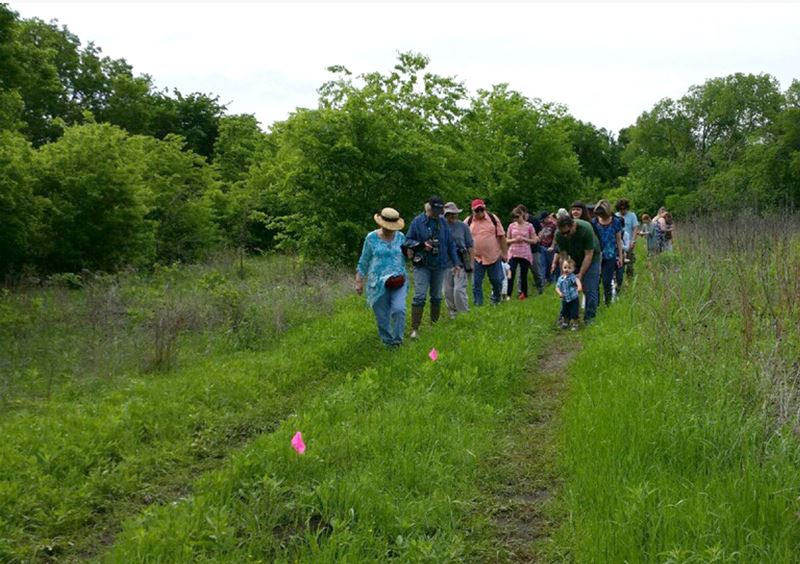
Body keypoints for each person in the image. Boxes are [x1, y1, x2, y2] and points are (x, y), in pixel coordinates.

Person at [404, 196, 460, 339]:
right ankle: (415, 329)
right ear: (429, 208)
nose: (438, 213)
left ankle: (434, 326)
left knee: (436, 296)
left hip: (440, 264)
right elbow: (407, 241)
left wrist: (456, 263)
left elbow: (450, 243)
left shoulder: (443, 222)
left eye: (440, 210)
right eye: (435, 210)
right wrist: (422, 245)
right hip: (422, 264)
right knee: (420, 295)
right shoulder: (418, 222)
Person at [355, 207, 408, 347]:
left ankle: (398, 341)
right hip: (377, 283)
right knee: (382, 316)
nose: (389, 229)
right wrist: (359, 281)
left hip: (398, 280)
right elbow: (364, 261)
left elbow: (407, 257)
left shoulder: (401, 237)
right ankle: (388, 342)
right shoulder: (371, 238)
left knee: (399, 309)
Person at [555, 213, 601, 324]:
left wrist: (580, 274)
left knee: (590, 288)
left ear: (573, 225)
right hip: (574, 258)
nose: (565, 235)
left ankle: (589, 318)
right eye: (563, 233)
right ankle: (564, 316)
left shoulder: (586, 229)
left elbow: (589, 254)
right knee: (566, 287)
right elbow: (564, 256)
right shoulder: (559, 235)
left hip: (592, 257)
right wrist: (565, 273)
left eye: (567, 232)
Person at [466, 199, 508, 306]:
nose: (479, 212)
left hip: (493, 256)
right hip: (476, 258)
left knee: (497, 281)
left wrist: (505, 253)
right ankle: (478, 305)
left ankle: (496, 300)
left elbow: (502, 236)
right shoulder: (468, 221)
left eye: (481, 209)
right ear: (472, 210)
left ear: (484, 208)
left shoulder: (493, 218)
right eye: (477, 210)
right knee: (476, 284)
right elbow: (462, 236)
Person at [442, 202, 473, 319]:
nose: (453, 216)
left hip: (460, 261)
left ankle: (464, 313)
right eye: (450, 214)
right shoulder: (440, 226)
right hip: (445, 262)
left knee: (458, 290)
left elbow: (470, 245)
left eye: (455, 214)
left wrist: (471, 262)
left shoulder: (463, 226)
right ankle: (452, 313)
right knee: (447, 291)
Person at [592, 200, 624, 306]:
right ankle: (596, 304)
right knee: (595, 282)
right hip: (596, 256)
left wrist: (620, 257)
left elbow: (618, 240)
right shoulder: (594, 222)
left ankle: (608, 303)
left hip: (610, 255)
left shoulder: (616, 221)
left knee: (607, 281)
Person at [506, 205, 538, 300]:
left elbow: (534, 240)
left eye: (517, 216)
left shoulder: (529, 226)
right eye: (514, 217)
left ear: (522, 215)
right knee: (511, 273)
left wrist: (524, 239)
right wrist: (514, 240)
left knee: (523, 274)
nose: (516, 219)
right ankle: (508, 294)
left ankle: (524, 293)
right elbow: (506, 240)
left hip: (524, 253)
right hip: (513, 252)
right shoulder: (511, 226)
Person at [615, 199, 639, 284]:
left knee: (629, 263)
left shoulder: (632, 215)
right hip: (617, 244)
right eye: (621, 208)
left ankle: (630, 281)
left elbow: (635, 228)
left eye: (624, 208)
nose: (623, 210)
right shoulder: (616, 216)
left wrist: (633, 240)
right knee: (618, 263)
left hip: (628, 243)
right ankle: (618, 281)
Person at [555, 257, 582, 331]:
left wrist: (579, 287)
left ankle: (575, 323)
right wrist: (560, 293)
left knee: (574, 312)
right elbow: (557, 287)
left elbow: (577, 281)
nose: (567, 269)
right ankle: (566, 322)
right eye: (565, 267)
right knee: (565, 311)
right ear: (562, 268)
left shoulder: (572, 277)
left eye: (569, 268)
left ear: (573, 269)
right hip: (565, 298)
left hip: (573, 298)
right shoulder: (561, 278)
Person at [538, 211, 558, 284]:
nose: (542, 221)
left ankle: (553, 280)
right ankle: (543, 281)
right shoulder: (541, 225)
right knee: (543, 264)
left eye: (544, 219)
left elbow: (555, 237)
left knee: (551, 264)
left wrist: (553, 246)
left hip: (550, 247)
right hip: (542, 246)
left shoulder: (553, 225)